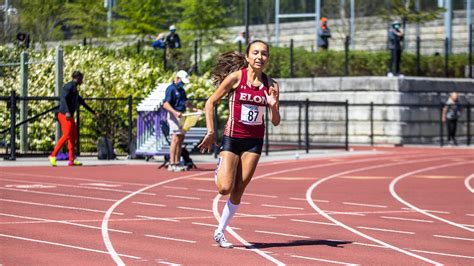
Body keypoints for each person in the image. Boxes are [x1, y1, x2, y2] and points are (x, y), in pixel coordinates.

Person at [198, 40, 280, 248]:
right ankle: (220, 168)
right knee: (224, 188)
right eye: (255, 53)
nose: (260, 57)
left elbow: (276, 121)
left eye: (264, 54)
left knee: (239, 190)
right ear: (247, 57)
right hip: (233, 138)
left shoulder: (272, 85)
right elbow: (210, 102)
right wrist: (210, 132)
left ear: (267, 58)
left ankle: (220, 231)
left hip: (254, 142)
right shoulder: (236, 78)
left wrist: (273, 106)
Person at [48, 71, 96, 167]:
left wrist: (93, 112)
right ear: (77, 77)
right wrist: (66, 111)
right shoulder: (68, 86)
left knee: (73, 136)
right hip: (64, 115)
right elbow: (63, 98)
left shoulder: (74, 89)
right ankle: (53, 155)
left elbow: (81, 101)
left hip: (69, 116)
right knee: (66, 135)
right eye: (81, 78)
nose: (82, 80)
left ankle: (71, 160)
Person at [162, 70, 192, 172]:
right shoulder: (170, 89)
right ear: (177, 78)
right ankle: (172, 163)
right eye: (182, 81)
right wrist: (175, 113)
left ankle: (178, 162)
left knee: (180, 139)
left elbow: (186, 103)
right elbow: (166, 104)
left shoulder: (182, 90)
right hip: (174, 116)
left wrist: (195, 109)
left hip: (182, 116)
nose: (183, 83)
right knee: (175, 139)